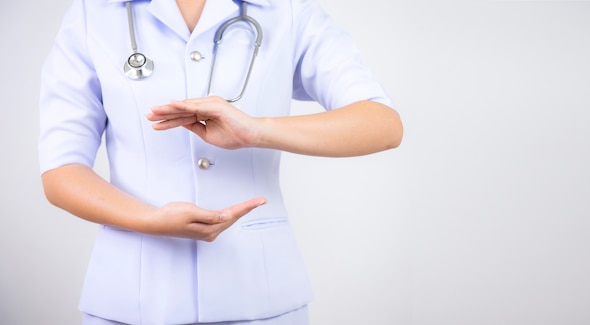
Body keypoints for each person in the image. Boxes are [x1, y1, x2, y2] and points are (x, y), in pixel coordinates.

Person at [38, 0, 403, 324]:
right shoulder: (93, 14)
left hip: (261, 300)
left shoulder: (286, 10)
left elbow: (382, 125)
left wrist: (255, 131)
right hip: (133, 300)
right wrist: (150, 220)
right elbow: (61, 170)